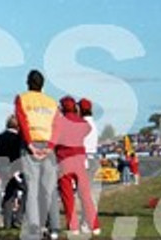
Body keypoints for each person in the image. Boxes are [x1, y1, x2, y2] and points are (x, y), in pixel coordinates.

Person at [15, 69, 60, 240]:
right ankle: (54, 228)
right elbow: (57, 126)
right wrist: (50, 146)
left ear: (28, 83)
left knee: (32, 189)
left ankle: (34, 230)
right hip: (48, 146)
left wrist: (30, 145)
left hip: (31, 145)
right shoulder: (51, 102)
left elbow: (22, 122)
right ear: (43, 85)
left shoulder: (22, 98)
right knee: (49, 189)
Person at [53, 96, 100, 237]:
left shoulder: (59, 122)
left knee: (68, 196)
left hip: (64, 161)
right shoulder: (84, 124)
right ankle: (94, 225)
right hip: (80, 160)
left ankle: (73, 226)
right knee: (85, 194)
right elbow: (86, 130)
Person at [0, 114, 26, 230]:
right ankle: (19, 219)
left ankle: (7, 222)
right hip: (15, 169)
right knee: (27, 192)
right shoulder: (18, 138)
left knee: (8, 195)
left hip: (3, 168)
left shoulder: (0, 137)